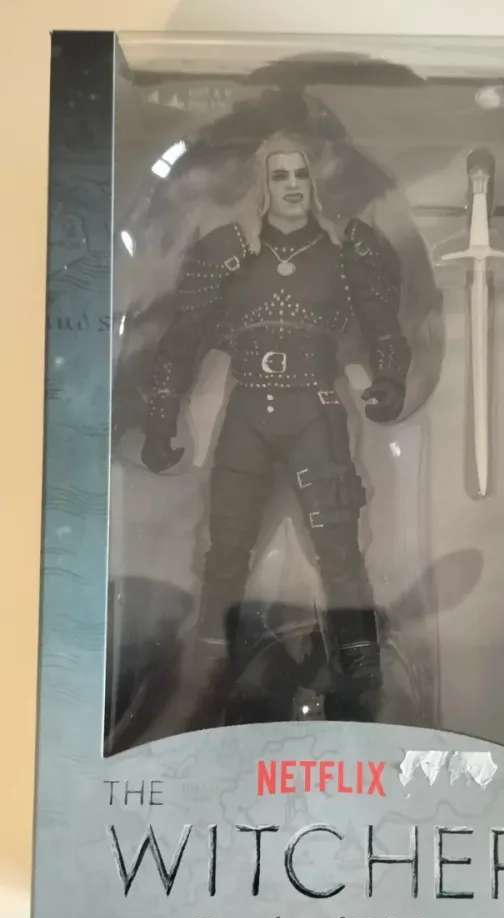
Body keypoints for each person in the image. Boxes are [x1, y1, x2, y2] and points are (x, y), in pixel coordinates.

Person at [141, 132, 411, 726]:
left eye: (301, 174)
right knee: (225, 552)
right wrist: (160, 420)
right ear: (262, 184)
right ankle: (206, 675)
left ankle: (364, 678)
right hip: (248, 415)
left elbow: (382, 326)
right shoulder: (226, 251)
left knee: (340, 554)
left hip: (316, 410)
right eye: (280, 175)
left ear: (314, 182)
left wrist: (391, 379)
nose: (292, 186)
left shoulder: (347, 250)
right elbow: (182, 341)